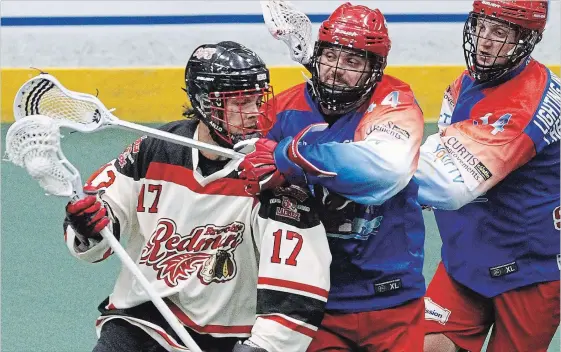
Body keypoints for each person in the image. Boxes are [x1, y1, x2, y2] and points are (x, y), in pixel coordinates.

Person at [63, 41, 331, 352]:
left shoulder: (271, 175)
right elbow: (101, 216)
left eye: (257, 101)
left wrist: (265, 347)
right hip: (145, 320)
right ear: (204, 102)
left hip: (230, 337)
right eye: (240, 102)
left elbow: (299, 285)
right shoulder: (155, 151)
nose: (253, 114)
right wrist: (88, 225)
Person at [235, 3, 426, 351]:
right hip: (314, 302)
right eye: (330, 57)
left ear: (375, 71)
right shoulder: (281, 110)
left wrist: (288, 155)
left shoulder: (395, 103)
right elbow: (242, 171)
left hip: (390, 299)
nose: (336, 70)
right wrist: (254, 177)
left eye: (352, 62)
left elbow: (384, 169)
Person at [412, 1, 560, 351]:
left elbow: (448, 185)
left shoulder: (526, 106)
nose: (484, 41)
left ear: (526, 39)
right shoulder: (467, 83)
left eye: (500, 32)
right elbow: (442, 147)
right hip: (465, 259)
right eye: (481, 27)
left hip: (528, 272)